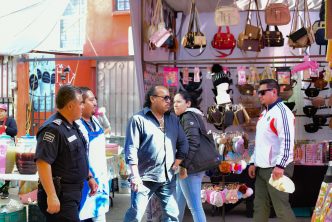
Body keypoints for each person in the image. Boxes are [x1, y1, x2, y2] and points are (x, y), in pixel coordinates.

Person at [124, 85, 189, 222]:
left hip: (167, 177)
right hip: (144, 177)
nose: (169, 101)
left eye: (169, 98)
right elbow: (131, 149)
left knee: (172, 214)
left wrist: (177, 162)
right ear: (152, 99)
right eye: (164, 98)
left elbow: (183, 143)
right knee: (135, 215)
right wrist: (135, 176)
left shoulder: (172, 119)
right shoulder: (138, 119)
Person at [35, 84, 97, 222]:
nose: (83, 106)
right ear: (70, 106)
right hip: (61, 195)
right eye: (81, 103)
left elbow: (78, 155)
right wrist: (51, 195)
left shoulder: (72, 125)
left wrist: (89, 177)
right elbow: (43, 162)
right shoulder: (53, 129)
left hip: (74, 192)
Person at [248, 79, 296, 222]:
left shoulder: (282, 112)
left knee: (281, 207)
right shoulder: (264, 114)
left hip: (276, 167)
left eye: (262, 92)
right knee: (259, 206)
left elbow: (287, 141)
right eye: (258, 93)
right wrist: (253, 162)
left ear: (274, 92)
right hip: (262, 168)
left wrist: (280, 166)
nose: (259, 96)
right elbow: (260, 142)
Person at [173, 91, 207, 222]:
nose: (175, 104)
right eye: (174, 101)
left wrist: (183, 166)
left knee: (195, 207)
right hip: (190, 167)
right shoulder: (190, 116)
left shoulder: (188, 117)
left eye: (179, 101)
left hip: (189, 168)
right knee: (178, 204)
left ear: (188, 103)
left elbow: (192, 142)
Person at [76, 87, 109, 222]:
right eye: (91, 100)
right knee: (84, 214)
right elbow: (78, 156)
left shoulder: (95, 121)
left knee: (99, 213)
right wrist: (89, 176)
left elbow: (107, 129)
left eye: (95, 99)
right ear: (81, 104)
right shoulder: (77, 125)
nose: (95, 102)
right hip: (86, 180)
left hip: (100, 179)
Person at [0, 103, 18, 199]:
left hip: (8, 149)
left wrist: (6, 128)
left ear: (6, 112)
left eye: (1, 111)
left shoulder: (10, 121)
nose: (0, 113)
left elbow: (15, 132)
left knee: (6, 169)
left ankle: (5, 189)